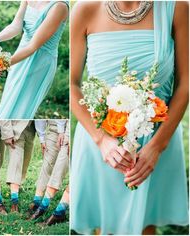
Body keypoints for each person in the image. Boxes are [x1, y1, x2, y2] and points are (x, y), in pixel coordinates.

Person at [70, 1, 189, 235]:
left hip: (156, 140)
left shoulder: (177, 9)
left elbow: (185, 84)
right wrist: (101, 140)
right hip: (102, 141)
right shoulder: (85, 9)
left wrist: (157, 147)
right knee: (104, 227)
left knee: (145, 227)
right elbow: (72, 85)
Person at [0, 0, 69, 119]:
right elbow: (16, 26)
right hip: (19, 57)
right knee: (8, 102)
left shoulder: (59, 6)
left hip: (40, 63)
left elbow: (33, 46)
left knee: (19, 111)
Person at [28, 120, 69, 221]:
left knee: (60, 165)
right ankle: (37, 201)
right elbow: (40, 121)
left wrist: (66, 134)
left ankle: (46, 207)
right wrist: (42, 139)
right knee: (47, 164)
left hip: (68, 128)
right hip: (53, 127)